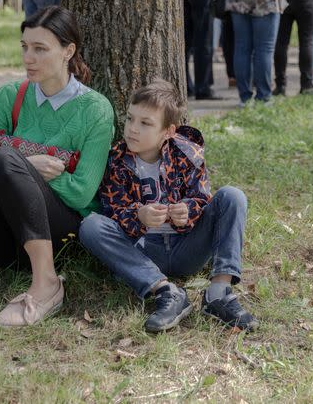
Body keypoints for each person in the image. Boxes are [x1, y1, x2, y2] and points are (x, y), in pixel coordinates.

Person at [0, 6, 115, 327]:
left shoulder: (95, 110)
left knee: (4, 158)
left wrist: (19, 169)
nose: (28, 58)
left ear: (68, 51)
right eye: (24, 47)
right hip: (5, 242)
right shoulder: (9, 97)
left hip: (60, 238)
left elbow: (81, 193)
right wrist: (27, 167)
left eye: (40, 49)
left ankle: (47, 284)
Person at [79, 80, 257, 332]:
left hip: (187, 247)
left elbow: (201, 198)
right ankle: (165, 291)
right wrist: (138, 215)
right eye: (130, 119)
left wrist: (187, 210)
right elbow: (113, 209)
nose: (133, 129)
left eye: (145, 123)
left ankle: (218, 292)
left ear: (168, 131)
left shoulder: (186, 154)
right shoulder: (116, 161)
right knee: (91, 225)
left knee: (233, 196)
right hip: (142, 252)